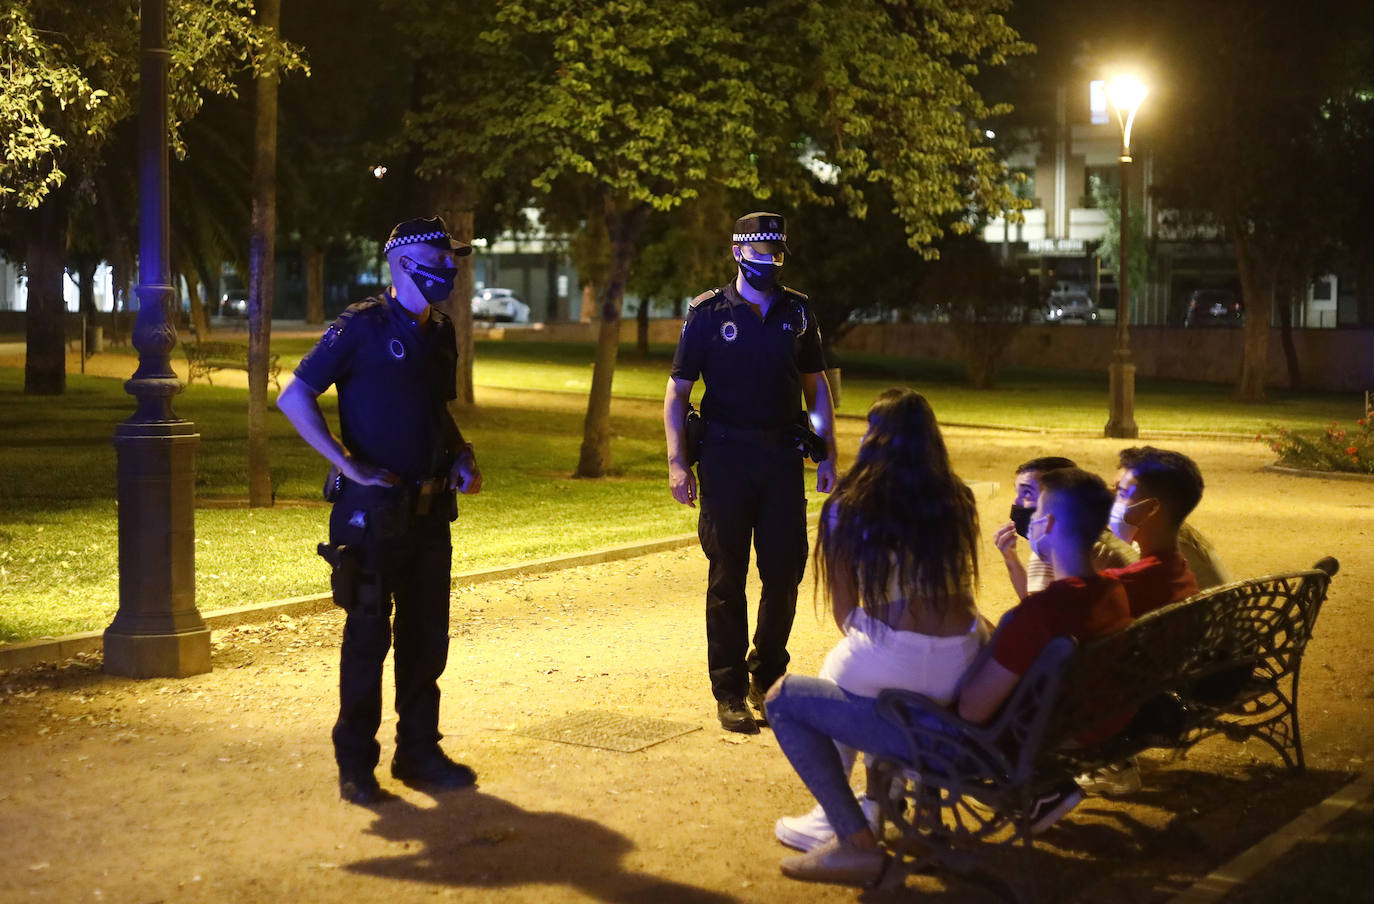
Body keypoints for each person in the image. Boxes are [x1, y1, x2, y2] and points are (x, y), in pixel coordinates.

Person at [278, 216, 483, 805]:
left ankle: (418, 752)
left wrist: (461, 453)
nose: (449, 269)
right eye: (439, 259)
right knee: (368, 636)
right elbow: (294, 396)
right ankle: (355, 764)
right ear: (402, 264)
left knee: (426, 639)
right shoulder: (361, 327)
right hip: (372, 513)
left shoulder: (441, 332)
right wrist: (347, 463)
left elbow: (433, 409)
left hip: (429, 511)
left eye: (453, 260)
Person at [763, 389, 985, 886]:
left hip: (895, 659)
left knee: (831, 678)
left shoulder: (852, 505)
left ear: (873, 437)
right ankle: (903, 806)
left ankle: (846, 828)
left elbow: (846, 612)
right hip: (962, 658)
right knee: (858, 673)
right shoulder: (957, 498)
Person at [664, 211, 838, 734]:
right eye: (762, 253)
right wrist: (677, 462)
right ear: (739, 252)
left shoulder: (798, 312)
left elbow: (816, 386)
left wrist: (827, 451)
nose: (771, 263)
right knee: (728, 578)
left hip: (782, 460)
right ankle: (730, 690)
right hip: (724, 460)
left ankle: (768, 675)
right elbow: (677, 392)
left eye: (778, 254)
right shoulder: (708, 313)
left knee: (784, 573)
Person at [958, 467, 1132, 835]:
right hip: (1092, 716)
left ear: (1048, 523)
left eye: (1035, 513)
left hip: (1040, 731)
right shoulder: (1113, 591)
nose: (1030, 520)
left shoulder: (1040, 613)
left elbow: (972, 710)